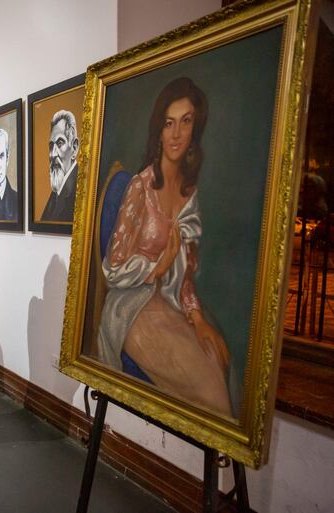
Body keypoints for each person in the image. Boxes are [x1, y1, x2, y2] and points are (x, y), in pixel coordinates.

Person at [97, 77, 232, 416]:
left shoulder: (189, 195)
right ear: (158, 130)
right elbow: (113, 269)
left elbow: (185, 279)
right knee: (208, 388)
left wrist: (197, 318)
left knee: (215, 358)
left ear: (195, 129)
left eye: (185, 122)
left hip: (170, 303)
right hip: (131, 307)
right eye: (168, 123)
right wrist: (158, 266)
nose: (176, 134)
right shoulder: (140, 187)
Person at [41, 110, 79, 222]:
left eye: (60, 143)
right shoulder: (57, 191)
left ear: (74, 148)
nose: (53, 154)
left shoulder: (78, 191)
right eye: (51, 146)